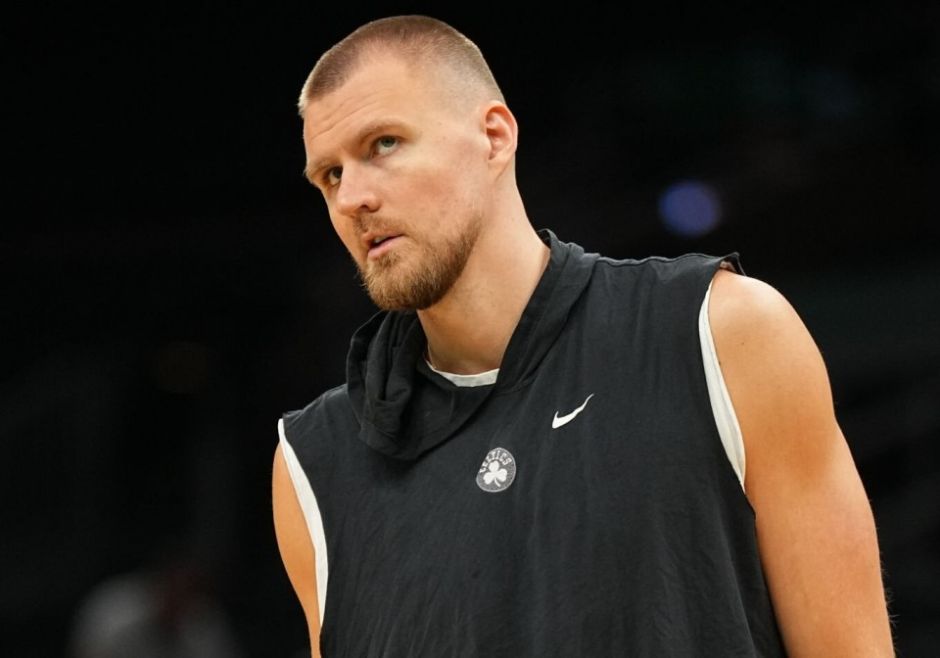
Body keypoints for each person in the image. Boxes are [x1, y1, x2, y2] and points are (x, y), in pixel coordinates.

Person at [271, 14, 894, 657]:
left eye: (383, 144)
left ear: (493, 137)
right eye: (331, 175)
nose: (352, 198)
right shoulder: (312, 464)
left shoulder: (723, 333)